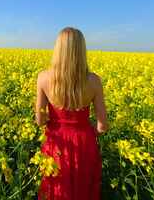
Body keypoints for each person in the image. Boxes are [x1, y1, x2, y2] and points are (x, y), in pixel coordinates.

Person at [34, 26, 109, 200]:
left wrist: (53, 121)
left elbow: (39, 120)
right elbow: (103, 125)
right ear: (81, 50)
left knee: (56, 188)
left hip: (56, 141)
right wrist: (89, 133)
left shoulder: (43, 78)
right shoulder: (93, 81)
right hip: (84, 142)